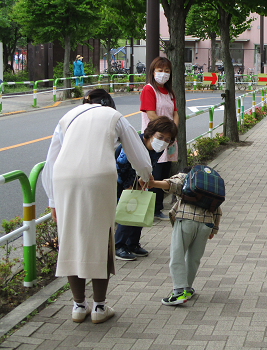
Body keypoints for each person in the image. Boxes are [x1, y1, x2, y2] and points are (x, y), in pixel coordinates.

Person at [42, 89, 152, 324]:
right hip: (99, 177)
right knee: (103, 237)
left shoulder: (67, 117)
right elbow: (140, 155)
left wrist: (52, 200)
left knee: (71, 238)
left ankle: (78, 306)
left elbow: (51, 160)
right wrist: (145, 177)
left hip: (64, 178)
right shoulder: (115, 117)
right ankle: (99, 308)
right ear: (109, 104)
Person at [139, 167, 222, 306]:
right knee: (193, 258)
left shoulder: (186, 176)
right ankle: (187, 289)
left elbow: (172, 185)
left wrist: (153, 184)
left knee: (177, 255)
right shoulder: (210, 184)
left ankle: (178, 292)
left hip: (186, 219)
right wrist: (214, 229)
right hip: (206, 224)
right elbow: (218, 209)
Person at [115, 116, 178, 261]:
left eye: (167, 139)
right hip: (121, 182)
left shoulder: (158, 148)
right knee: (128, 211)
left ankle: (133, 244)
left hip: (139, 181)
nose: (163, 142)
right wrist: (128, 186)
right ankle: (119, 245)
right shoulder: (134, 144)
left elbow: (150, 164)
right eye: (160, 136)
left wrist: (146, 179)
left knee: (139, 211)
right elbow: (121, 166)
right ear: (150, 133)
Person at [140, 56, 179, 220]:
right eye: (160, 70)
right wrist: (166, 129)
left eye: (167, 71)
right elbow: (150, 114)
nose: (163, 74)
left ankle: (157, 207)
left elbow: (175, 113)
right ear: (153, 71)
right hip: (155, 138)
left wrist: (173, 130)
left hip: (168, 138)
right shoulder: (149, 89)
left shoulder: (170, 92)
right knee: (154, 170)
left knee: (164, 170)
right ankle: (152, 209)